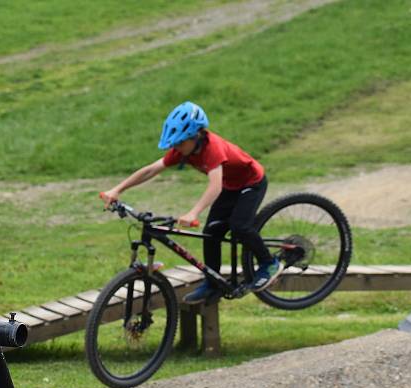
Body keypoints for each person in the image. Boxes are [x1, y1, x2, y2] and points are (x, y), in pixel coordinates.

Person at [101, 101, 281, 304]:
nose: (176, 147)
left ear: (196, 136)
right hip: (230, 186)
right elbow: (151, 170)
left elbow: (215, 187)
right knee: (212, 231)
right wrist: (117, 189)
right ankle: (213, 283)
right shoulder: (184, 149)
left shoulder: (213, 149)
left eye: (180, 143)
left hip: (251, 182)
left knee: (239, 226)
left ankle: (269, 263)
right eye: (175, 144)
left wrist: (193, 212)